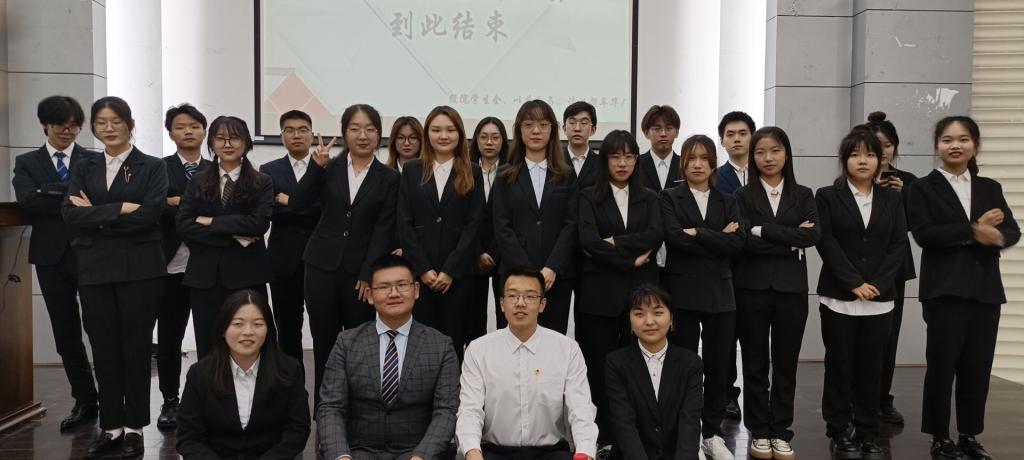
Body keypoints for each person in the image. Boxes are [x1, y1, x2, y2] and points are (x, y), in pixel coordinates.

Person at [62, 96, 169, 458]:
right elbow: (70, 215)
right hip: (94, 270)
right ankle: (111, 427)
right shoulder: (84, 166)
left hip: (141, 270)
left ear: (130, 123)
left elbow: (150, 215)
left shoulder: (152, 166)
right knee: (104, 348)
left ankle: (135, 427)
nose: (108, 128)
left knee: (136, 348)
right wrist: (121, 208)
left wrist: (96, 214)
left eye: (116, 121)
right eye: (101, 122)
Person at [907, 116, 1019, 460]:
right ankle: (940, 436)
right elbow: (924, 233)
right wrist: (973, 230)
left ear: (975, 144)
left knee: (978, 367)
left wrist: (995, 236)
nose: (955, 145)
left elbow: (1012, 232)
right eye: (947, 139)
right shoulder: (922, 187)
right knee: (942, 367)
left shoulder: (989, 187)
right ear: (937, 146)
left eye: (963, 139)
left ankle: (969, 434)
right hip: (944, 290)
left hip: (985, 290)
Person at [289, 103, 400, 401]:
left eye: (370, 129)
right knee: (324, 341)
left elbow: (384, 229)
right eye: (355, 129)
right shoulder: (328, 167)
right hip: (320, 268)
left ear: (379, 134)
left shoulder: (389, 177)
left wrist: (369, 273)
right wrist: (315, 167)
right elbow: (297, 203)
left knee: (360, 344)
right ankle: (324, 410)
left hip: (360, 274)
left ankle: (357, 409)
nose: (363, 136)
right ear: (344, 133)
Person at [814, 129, 908, 459]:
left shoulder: (892, 199)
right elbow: (826, 242)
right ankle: (839, 429)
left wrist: (879, 283)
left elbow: (898, 244)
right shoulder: (827, 196)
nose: (863, 160)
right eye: (855, 154)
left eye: (870, 154)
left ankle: (868, 432)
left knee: (872, 369)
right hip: (838, 297)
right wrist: (853, 282)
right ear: (844, 160)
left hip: (880, 300)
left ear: (880, 159)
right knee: (839, 367)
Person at [12, 95, 99, 431]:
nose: (68, 131)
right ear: (44, 125)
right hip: (50, 258)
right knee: (65, 332)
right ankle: (85, 399)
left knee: (99, 327)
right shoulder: (26, 162)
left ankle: (111, 397)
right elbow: (28, 201)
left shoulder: (92, 160)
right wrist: (70, 195)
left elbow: (97, 200)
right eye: (61, 124)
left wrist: (47, 192)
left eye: (74, 125)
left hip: (90, 253)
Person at [318, 254, 460, 459]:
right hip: (358, 452)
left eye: (402, 285)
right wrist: (341, 456)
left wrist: (421, 456)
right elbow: (331, 406)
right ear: (369, 294)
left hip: (416, 452)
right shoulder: (346, 343)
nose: (394, 293)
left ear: (416, 290)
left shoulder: (441, 345)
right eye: (384, 287)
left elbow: (446, 411)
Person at [732, 127, 820, 460]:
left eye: (775, 150)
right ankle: (759, 430)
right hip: (751, 288)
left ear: (786, 154)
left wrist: (763, 230)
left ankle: (782, 430)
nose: (768, 158)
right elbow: (743, 241)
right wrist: (790, 239)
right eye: (760, 152)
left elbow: (814, 236)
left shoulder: (804, 194)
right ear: (753, 157)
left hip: (791, 290)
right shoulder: (741, 196)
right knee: (754, 363)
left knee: (786, 363)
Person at [576, 129, 662, 450]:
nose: (622, 163)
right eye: (615, 156)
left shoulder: (650, 197)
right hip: (598, 296)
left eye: (629, 156)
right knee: (598, 367)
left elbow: (654, 235)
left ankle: (637, 436)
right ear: (605, 161)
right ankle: (603, 437)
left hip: (640, 296)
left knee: (638, 367)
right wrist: (630, 260)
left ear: (636, 160)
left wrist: (613, 242)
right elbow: (587, 241)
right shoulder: (588, 195)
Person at [660, 135, 745, 460]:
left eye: (704, 158)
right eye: (691, 158)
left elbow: (737, 242)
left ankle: (712, 433)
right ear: (683, 163)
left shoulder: (728, 199)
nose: (697, 164)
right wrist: (717, 237)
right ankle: (686, 434)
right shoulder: (669, 197)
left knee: (719, 366)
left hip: (720, 292)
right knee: (682, 364)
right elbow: (674, 239)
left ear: (713, 163)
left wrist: (697, 233)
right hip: (681, 291)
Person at [457, 267, 598, 459]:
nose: (520, 303)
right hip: (495, 452)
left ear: (542, 304)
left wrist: (585, 452)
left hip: (550, 453)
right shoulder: (478, 350)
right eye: (512, 296)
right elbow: (469, 410)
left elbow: (581, 409)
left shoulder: (567, 349)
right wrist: (472, 452)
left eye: (530, 296)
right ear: (502, 303)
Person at [176, 116, 273, 358]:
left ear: (246, 142)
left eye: (234, 138)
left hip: (247, 275)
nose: (227, 144)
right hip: (204, 277)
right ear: (211, 143)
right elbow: (184, 225)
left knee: (250, 345)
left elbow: (258, 224)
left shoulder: (261, 181)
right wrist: (232, 235)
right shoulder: (198, 180)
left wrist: (211, 222)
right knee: (208, 346)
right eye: (220, 138)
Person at [176, 290, 310, 459]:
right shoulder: (199, 374)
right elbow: (188, 437)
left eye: (257, 324)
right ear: (223, 329)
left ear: (268, 329)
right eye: (238, 324)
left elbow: (297, 430)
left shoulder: (289, 370)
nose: (248, 331)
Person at [398, 106, 484, 359]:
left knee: (453, 342)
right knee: (420, 344)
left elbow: (474, 224)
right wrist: (423, 269)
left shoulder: (472, 170)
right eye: (436, 130)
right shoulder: (412, 170)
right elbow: (404, 222)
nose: (443, 136)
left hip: (458, 274)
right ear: (427, 134)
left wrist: (450, 271)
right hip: (420, 273)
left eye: (450, 130)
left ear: (460, 134)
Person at [491, 100, 579, 333]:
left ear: (553, 130)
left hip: (555, 277)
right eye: (529, 125)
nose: (536, 131)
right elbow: (501, 226)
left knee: (553, 340)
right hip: (514, 275)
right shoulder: (504, 175)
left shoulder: (566, 174)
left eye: (543, 124)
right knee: (513, 339)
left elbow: (571, 224)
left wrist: (552, 267)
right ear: (519, 130)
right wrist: (526, 272)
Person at [155, 103, 210, 430]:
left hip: (209, 266)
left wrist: (176, 202)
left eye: (194, 126)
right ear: (171, 133)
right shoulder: (158, 168)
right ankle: (170, 400)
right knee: (169, 338)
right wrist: (188, 207)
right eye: (180, 126)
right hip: (170, 268)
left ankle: (209, 400)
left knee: (210, 338)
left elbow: (222, 210)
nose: (188, 131)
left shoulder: (218, 168)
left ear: (204, 131)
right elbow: (152, 207)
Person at [862, 111, 917, 426]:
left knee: (889, 336)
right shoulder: (855, 177)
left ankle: (883, 398)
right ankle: (858, 399)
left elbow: (917, 224)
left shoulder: (907, 181)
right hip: (860, 266)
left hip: (894, 267)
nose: (882, 151)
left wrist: (902, 195)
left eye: (887, 145)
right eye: (876, 144)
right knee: (858, 337)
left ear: (895, 147)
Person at [605, 284, 703, 460]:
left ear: (671, 319)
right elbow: (623, 422)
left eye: (657, 313)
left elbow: (690, 421)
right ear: (629, 320)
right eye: (639, 314)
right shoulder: (616, 363)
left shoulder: (691, 363)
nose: (649, 321)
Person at [259, 109, 321, 361]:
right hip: (283, 259)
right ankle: (291, 381)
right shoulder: (268, 170)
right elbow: (270, 211)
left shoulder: (325, 167)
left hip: (320, 258)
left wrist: (288, 201)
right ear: (282, 135)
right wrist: (306, 206)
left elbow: (327, 210)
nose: (297, 135)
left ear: (312, 134)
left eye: (303, 130)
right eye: (290, 130)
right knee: (286, 328)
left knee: (323, 325)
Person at [714, 110, 756, 420]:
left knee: (753, 337)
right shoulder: (715, 177)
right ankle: (728, 394)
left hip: (757, 267)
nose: (737, 139)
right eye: (730, 134)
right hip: (725, 267)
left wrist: (744, 231)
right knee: (725, 338)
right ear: (722, 141)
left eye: (742, 133)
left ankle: (755, 396)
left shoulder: (766, 173)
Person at [467, 116, 509, 342]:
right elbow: (463, 217)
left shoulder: (512, 170)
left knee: (506, 316)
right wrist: (477, 252)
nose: (489, 142)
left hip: (504, 254)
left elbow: (510, 218)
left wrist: (494, 252)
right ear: (476, 140)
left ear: (503, 140)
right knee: (472, 319)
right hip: (471, 254)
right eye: (484, 137)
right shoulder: (464, 169)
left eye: (495, 137)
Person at [636, 105, 681, 287]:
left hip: (679, 253)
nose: (663, 134)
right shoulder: (635, 166)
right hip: (644, 253)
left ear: (676, 132)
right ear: (646, 132)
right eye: (656, 128)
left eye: (669, 128)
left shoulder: (687, 166)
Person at [563, 101, 599, 189]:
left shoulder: (601, 164)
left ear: (593, 130)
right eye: (572, 122)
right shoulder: (553, 161)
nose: (577, 128)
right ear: (564, 128)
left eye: (584, 123)